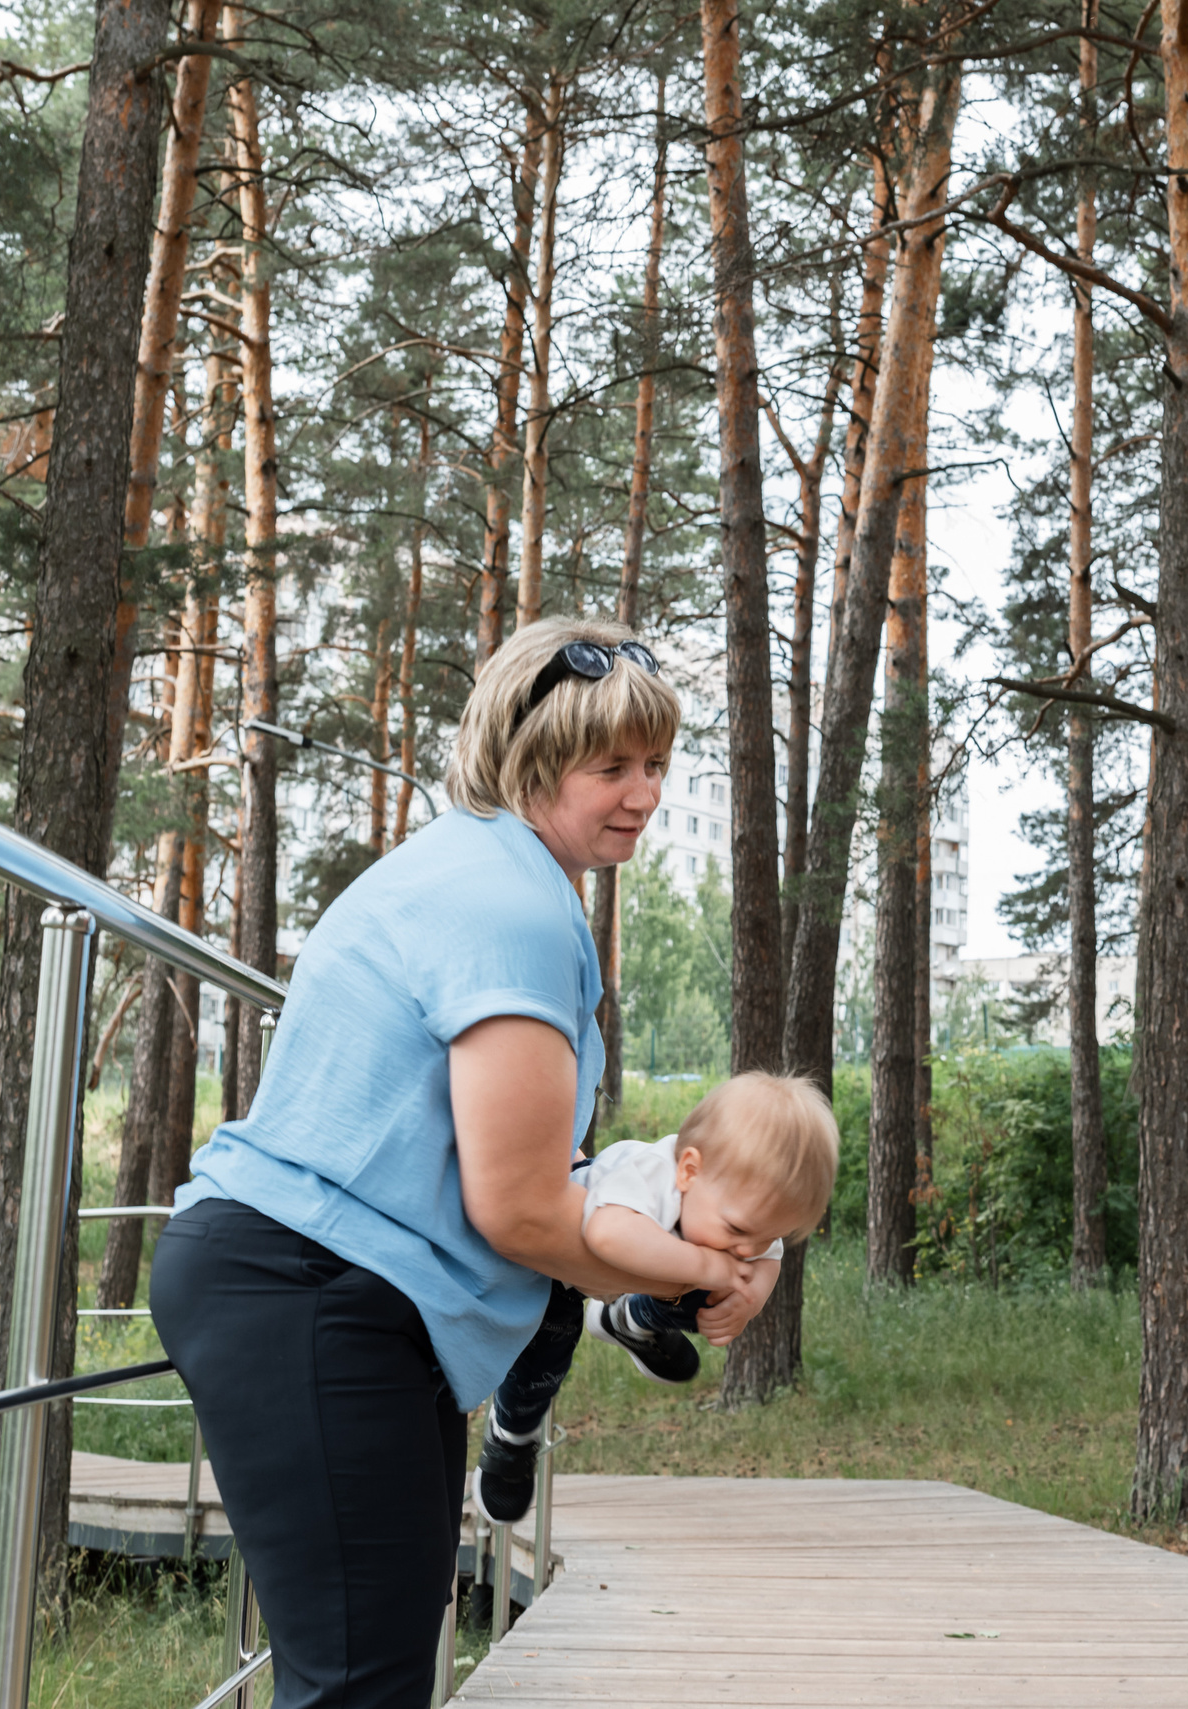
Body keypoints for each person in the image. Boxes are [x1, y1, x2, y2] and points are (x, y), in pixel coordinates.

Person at [150, 616, 770, 1709]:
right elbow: (521, 1209)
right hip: (311, 1287)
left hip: (330, 1291)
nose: (643, 793)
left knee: (369, 1671)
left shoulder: (486, 871)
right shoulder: (513, 907)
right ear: (532, 761)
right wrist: (697, 1274)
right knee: (362, 1685)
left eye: (657, 765)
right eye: (610, 766)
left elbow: (536, 1173)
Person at [473, 1071, 838, 1522]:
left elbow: (769, 1255)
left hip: (636, 1275)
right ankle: (510, 1434)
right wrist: (706, 1265)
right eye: (741, 1230)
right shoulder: (650, 1174)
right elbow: (606, 1235)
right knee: (544, 1360)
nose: (748, 1248)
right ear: (689, 1170)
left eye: (768, 1234)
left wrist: (751, 1298)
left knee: (724, 1286)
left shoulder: (741, 1210)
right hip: (559, 1269)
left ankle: (629, 1320)